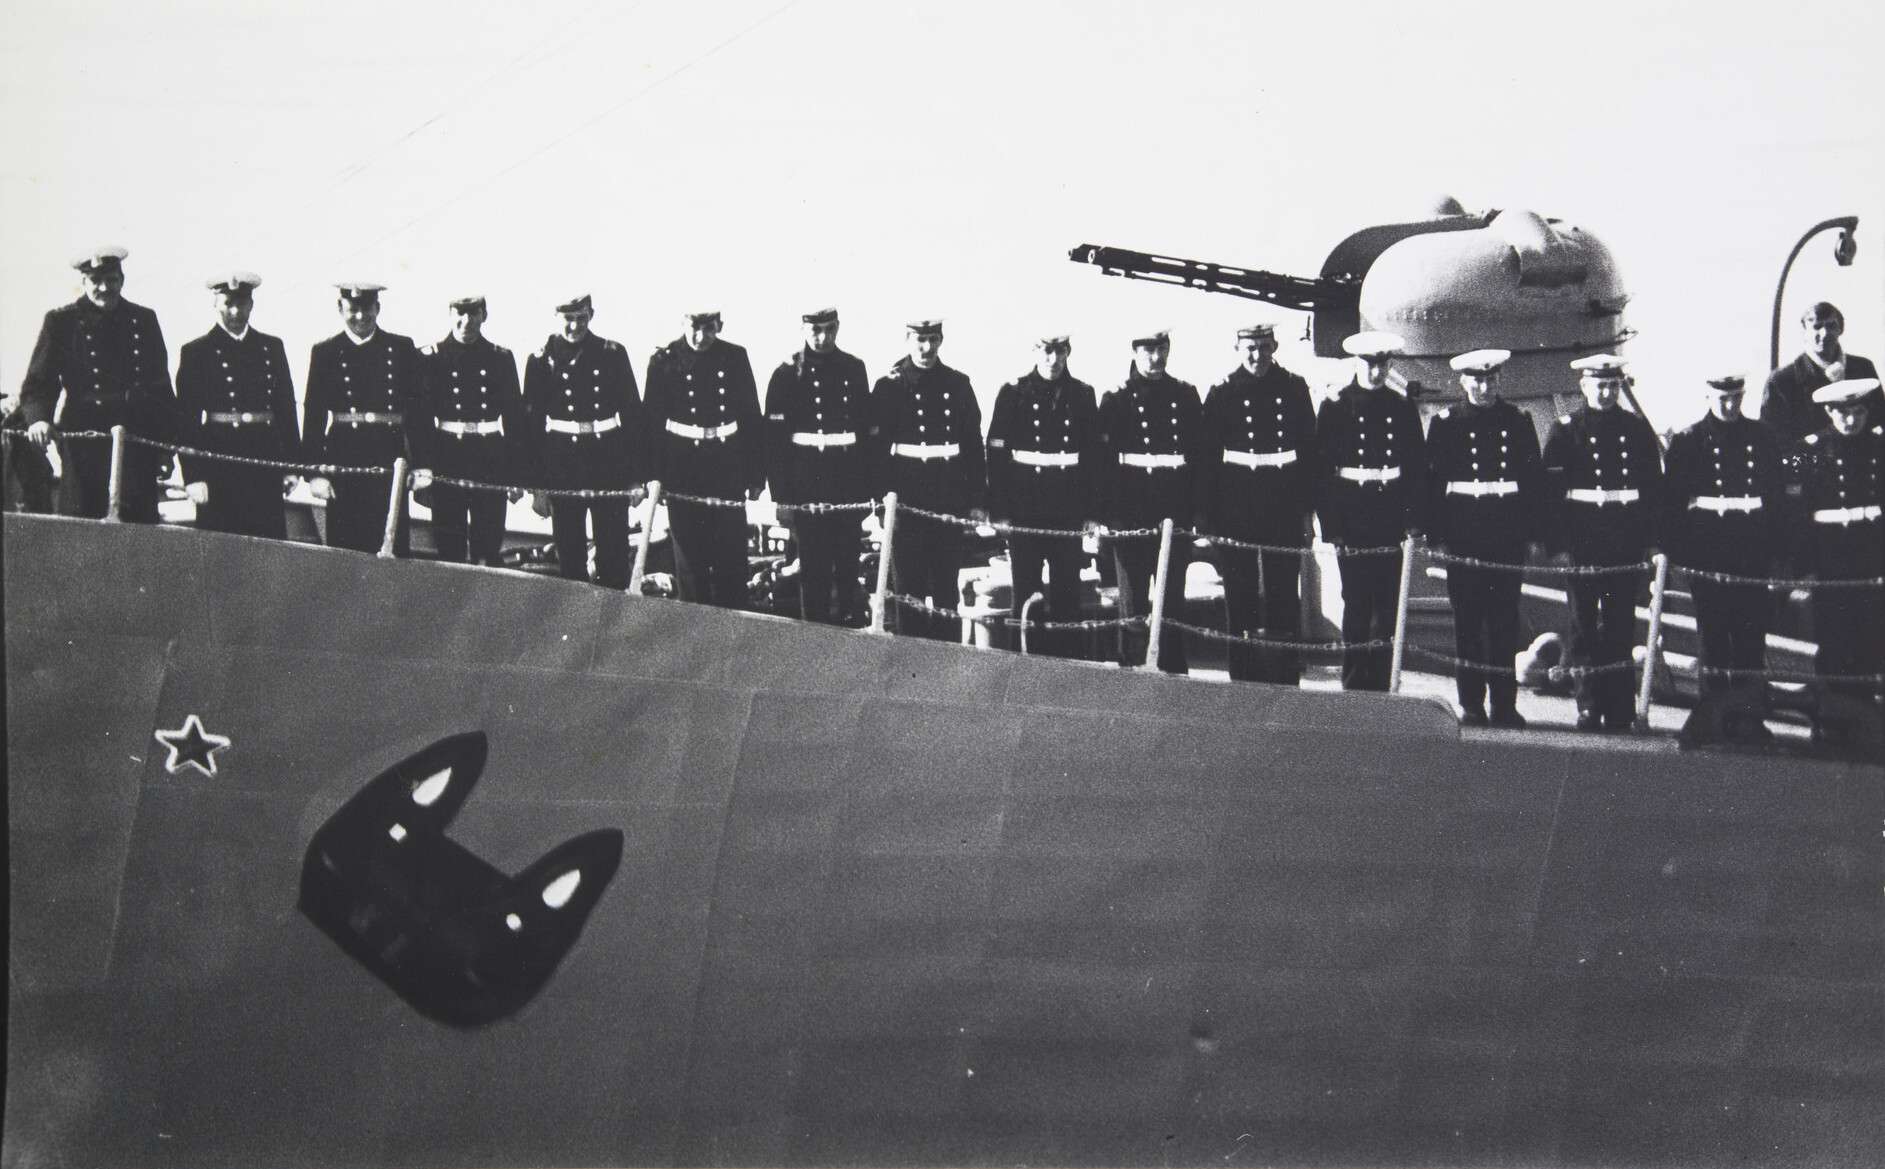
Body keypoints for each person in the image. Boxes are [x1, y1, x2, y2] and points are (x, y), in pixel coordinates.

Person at [1541, 355, 1664, 731]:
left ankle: (1620, 707)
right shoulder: (1566, 430)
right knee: (1582, 625)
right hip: (1583, 539)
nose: (1607, 393)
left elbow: (1652, 491)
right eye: (1600, 385)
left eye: (1613, 385)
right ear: (1584, 386)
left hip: (1624, 539)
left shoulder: (1636, 429)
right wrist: (1558, 545)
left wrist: (1653, 543)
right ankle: (1588, 704)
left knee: (1620, 625)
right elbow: (1551, 495)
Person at [1663, 374, 1786, 741]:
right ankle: (1713, 716)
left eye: (1735, 398)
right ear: (1708, 397)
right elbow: (1672, 504)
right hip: (1709, 551)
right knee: (1713, 638)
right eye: (1722, 398)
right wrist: (1680, 555)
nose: (1730, 405)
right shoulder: (1688, 441)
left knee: (1751, 637)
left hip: (1752, 549)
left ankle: (1749, 717)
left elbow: (1777, 498)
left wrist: (1778, 555)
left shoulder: (1763, 437)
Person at [1424, 349, 1543, 727]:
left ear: (1498, 380)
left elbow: (1532, 480)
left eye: (1490, 379)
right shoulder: (1447, 423)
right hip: (1465, 534)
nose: (1484, 387)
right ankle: (1471, 704)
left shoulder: (1517, 421)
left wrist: (1533, 533)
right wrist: (1436, 535)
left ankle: (1505, 705)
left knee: (1504, 622)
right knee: (1468, 623)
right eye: (1476, 380)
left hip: (1506, 533)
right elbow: (1433, 483)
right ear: (1464, 382)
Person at [19, 246, 176, 522]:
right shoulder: (61, 321)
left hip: (137, 440)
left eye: (111, 280)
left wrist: (165, 449)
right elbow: (39, 383)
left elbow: (159, 389)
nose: (104, 288)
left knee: (137, 526)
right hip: (83, 442)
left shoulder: (143, 320)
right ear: (83, 282)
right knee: (81, 523)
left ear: (122, 280)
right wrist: (39, 419)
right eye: (96, 280)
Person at [1199, 323, 1317, 685]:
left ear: (1275, 346)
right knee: (1240, 596)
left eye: (1264, 347)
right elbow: (1207, 459)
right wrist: (1209, 518)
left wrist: (1307, 514)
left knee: (1284, 595)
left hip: (1283, 504)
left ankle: (1284, 677)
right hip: (1237, 507)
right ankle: (1243, 678)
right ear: (1237, 349)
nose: (1257, 355)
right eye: (1250, 348)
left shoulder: (1294, 388)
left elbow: (1309, 454)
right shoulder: (1222, 391)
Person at [1314, 331, 1426, 691]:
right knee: (1356, 604)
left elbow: (1415, 468)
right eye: (1369, 364)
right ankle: (1354, 682)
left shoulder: (1401, 406)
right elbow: (1323, 473)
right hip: (1353, 515)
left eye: (1383, 364)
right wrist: (1333, 528)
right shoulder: (1335, 405)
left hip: (1389, 514)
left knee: (1387, 606)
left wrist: (1413, 521)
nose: (1377, 371)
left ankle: (1381, 683)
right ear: (1357, 363)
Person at [867, 319, 987, 641]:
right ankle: (910, 661)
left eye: (933, 339)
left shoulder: (958, 384)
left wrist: (977, 500)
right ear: (908, 339)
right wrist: (882, 502)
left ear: (941, 340)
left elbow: (973, 447)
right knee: (909, 592)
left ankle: (947, 659)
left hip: (948, 499)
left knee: (947, 590)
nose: (926, 347)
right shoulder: (889, 386)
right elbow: (876, 451)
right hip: (907, 503)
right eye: (920, 339)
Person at [986, 332, 1100, 658]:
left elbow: (1093, 456)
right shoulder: (1013, 393)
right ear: (1035, 351)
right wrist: (1000, 511)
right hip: (1025, 509)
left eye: (1060, 351)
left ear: (1068, 352)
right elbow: (996, 453)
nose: (1053, 359)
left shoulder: (1082, 394)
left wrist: (1091, 512)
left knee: (1067, 595)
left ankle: (1068, 670)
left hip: (1067, 509)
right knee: (1025, 593)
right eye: (1047, 351)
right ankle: (1023, 668)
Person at [1094, 329, 1203, 673]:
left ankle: (1173, 670)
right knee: (1133, 602)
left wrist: (1196, 513)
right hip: (1131, 513)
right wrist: (1108, 516)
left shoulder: (1185, 395)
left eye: (1161, 349)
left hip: (1174, 511)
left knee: (1172, 600)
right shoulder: (1116, 399)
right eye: (1148, 351)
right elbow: (1103, 463)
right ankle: (1131, 670)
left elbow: (1199, 458)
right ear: (1134, 352)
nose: (1156, 358)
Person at [643, 310, 764, 609]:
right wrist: (653, 475)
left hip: (726, 469)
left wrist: (755, 476)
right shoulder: (664, 361)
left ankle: (732, 630)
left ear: (719, 325)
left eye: (709, 328)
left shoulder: (735, 357)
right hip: (683, 471)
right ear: (683, 323)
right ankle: (694, 633)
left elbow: (750, 416)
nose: (701, 336)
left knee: (731, 564)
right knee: (690, 566)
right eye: (694, 327)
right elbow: (651, 423)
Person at [522, 294, 643, 590]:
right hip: (563, 464)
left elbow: (632, 416)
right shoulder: (540, 360)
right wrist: (536, 487)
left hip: (608, 460)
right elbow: (532, 427)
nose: (575, 326)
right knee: (570, 554)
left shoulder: (612, 353)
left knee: (614, 554)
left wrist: (636, 477)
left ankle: (613, 616)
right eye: (568, 319)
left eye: (581, 318)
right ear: (556, 317)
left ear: (591, 315)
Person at [763, 307, 872, 624]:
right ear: (803, 329)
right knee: (812, 571)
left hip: (847, 483)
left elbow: (865, 433)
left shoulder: (854, 369)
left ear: (837, 327)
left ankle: (850, 632)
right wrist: (782, 497)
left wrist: (868, 491)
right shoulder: (786, 374)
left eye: (829, 329)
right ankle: (815, 638)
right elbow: (774, 442)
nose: (823, 338)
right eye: (815, 330)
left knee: (848, 567)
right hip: (806, 485)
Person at [175, 273, 298, 539]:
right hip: (218, 461)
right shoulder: (197, 352)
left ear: (251, 304)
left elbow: (286, 410)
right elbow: (186, 421)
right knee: (220, 545)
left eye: (241, 304)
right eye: (227, 303)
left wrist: (291, 467)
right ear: (215, 304)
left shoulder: (271, 348)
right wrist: (193, 476)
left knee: (267, 543)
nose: (234, 311)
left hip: (264, 459)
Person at [1786, 376, 1884, 710]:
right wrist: (1804, 569)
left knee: (1871, 634)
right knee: (1833, 635)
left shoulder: (1879, 446)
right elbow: (1798, 515)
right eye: (1843, 413)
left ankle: (1865, 712)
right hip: (1830, 558)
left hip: (1872, 556)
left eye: (1858, 412)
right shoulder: (1809, 450)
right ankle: (1833, 712)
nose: (1851, 420)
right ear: (1829, 412)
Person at [302, 283, 421, 555]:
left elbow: (417, 412)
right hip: (344, 461)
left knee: (393, 548)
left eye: (367, 308)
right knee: (345, 550)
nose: (360, 316)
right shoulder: (326, 352)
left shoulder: (401, 348)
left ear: (377, 307)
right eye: (352, 309)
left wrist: (423, 465)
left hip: (390, 461)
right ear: (340, 308)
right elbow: (314, 416)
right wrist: (314, 474)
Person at [413, 295, 527, 565]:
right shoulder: (430, 357)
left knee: (488, 545)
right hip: (447, 457)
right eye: (460, 313)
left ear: (484, 315)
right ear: (450, 314)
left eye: (473, 313)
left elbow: (515, 420)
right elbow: (419, 419)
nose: (466, 321)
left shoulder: (500, 358)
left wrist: (516, 474)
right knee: (448, 545)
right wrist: (423, 466)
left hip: (490, 458)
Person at [1760, 302, 1881, 445]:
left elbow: (1880, 419)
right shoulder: (1782, 380)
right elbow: (1771, 440)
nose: (1824, 333)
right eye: (1816, 327)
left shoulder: (1863, 368)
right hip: (1810, 457)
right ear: (1804, 331)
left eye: (1831, 326)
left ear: (1841, 329)